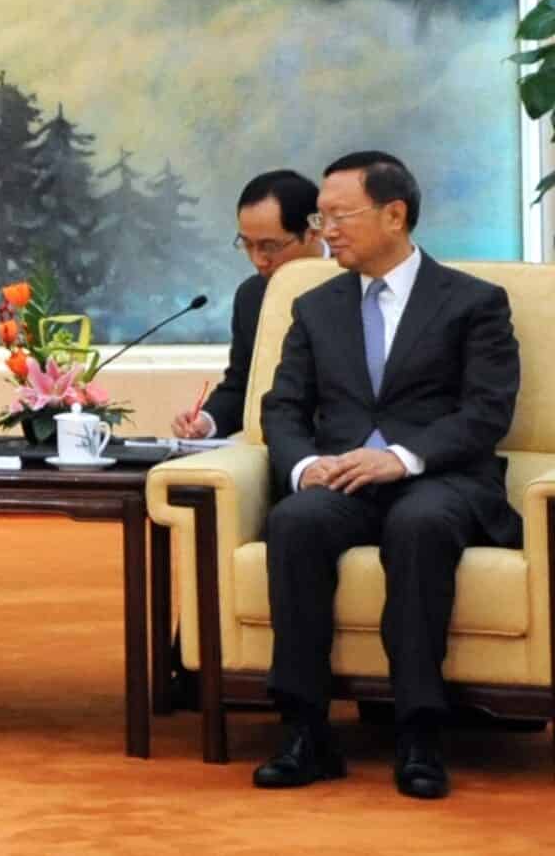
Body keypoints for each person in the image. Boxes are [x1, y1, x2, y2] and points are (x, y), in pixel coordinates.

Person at [252, 151, 519, 800]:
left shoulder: (473, 302)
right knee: (294, 521)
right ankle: (306, 730)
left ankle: (419, 732)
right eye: (321, 217)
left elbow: (487, 411)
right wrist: (306, 465)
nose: (326, 230)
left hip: (439, 478)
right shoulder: (315, 307)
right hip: (345, 478)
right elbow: (282, 406)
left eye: (339, 215)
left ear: (394, 215)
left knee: (419, 524)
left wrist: (401, 457)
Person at [174, 169, 322, 439]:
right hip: (276, 447)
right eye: (247, 245)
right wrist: (207, 421)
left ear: (313, 233)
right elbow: (242, 386)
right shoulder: (252, 296)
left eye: (270, 246)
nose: (258, 259)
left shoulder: (356, 281)